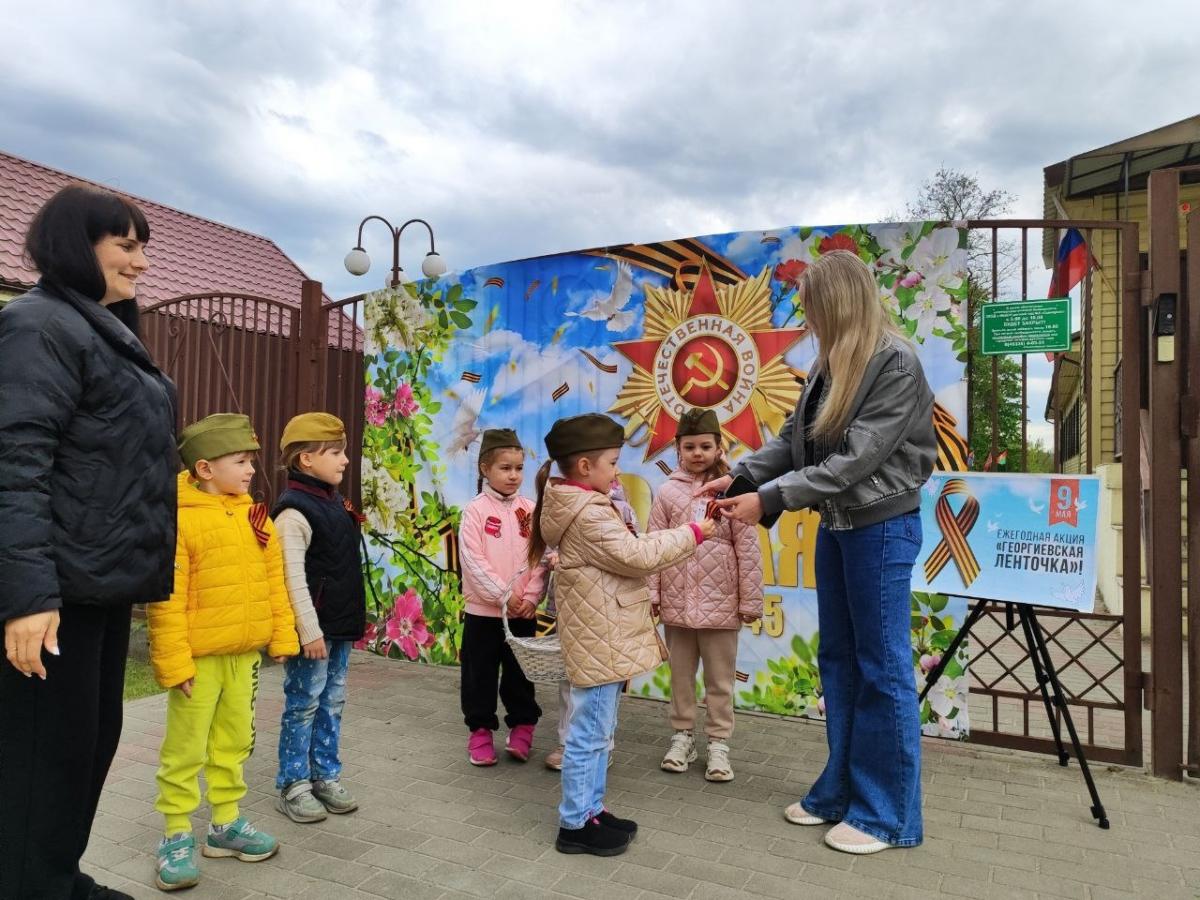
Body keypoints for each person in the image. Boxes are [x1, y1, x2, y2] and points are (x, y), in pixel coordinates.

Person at [701, 250, 937, 855]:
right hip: (839, 526)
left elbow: (857, 460)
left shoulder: (896, 363)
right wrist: (741, 478)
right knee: (839, 661)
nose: (806, 319)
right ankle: (841, 791)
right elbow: (793, 440)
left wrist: (769, 497)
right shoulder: (829, 363)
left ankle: (887, 816)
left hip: (881, 530)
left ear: (836, 305)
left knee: (881, 668)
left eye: (811, 308)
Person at [0, 184, 177, 900]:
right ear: (79, 244)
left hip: (99, 587)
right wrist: (27, 598)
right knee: (42, 761)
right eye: (126, 245)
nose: (141, 262)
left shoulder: (100, 329)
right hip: (55, 595)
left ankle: (54, 876)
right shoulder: (38, 326)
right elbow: (15, 463)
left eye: (142, 247)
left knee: (85, 749)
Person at [529, 413, 715, 857]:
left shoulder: (580, 503)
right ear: (584, 467)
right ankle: (576, 824)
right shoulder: (588, 512)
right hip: (601, 638)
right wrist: (693, 532)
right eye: (612, 463)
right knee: (589, 735)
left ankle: (592, 810)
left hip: (602, 634)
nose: (617, 471)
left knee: (599, 729)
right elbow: (635, 555)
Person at [149, 414, 299, 891]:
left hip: (243, 658)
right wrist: (174, 662)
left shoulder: (256, 517)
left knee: (234, 742)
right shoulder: (181, 520)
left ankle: (225, 825)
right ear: (205, 468)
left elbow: (275, 582)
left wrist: (283, 637)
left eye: (251, 461)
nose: (252, 469)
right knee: (186, 749)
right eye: (241, 461)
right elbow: (166, 598)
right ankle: (176, 833)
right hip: (197, 662)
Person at [648, 408, 763, 782]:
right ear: (678, 449)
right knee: (680, 677)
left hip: (721, 606)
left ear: (719, 447)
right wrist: (653, 594)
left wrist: (750, 601)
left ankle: (718, 743)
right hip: (677, 605)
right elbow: (655, 544)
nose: (698, 453)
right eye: (690, 446)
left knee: (720, 680)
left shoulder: (735, 491)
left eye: (705, 446)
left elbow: (748, 549)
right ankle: (682, 737)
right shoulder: (667, 492)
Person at [272, 413, 365, 823]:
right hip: (314, 633)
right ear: (306, 459)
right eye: (335, 452)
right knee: (303, 704)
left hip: (338, 628)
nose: (345, 460)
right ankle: (293, 784)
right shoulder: (294, 512)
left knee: (333, 702)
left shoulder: (334, 503)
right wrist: (309, 632)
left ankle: (325, 775)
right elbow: (292, 579)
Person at [458, 429, 547, 766]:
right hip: (483, 614)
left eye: (519, 468)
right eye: (505, 468)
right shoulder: (475, 511)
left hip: (522, 613)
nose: (513, 476)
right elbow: (473, 561)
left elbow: (540, 557)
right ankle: (480, 732)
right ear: (485, 469)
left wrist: (531, 597)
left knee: (520, 674)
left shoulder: (531, 510)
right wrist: (504, 595)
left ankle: (523, 727)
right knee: (479, 675)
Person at [544, 476, 632, 771]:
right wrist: (553, 557)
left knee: (606, 680)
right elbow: (546, 544)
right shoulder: (562, 505)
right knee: (569, 677)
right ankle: (566, 741)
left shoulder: (620, 508)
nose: (612, 471)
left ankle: (603, 745)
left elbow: (632, 552)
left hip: (607, 609)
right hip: (571, 606)